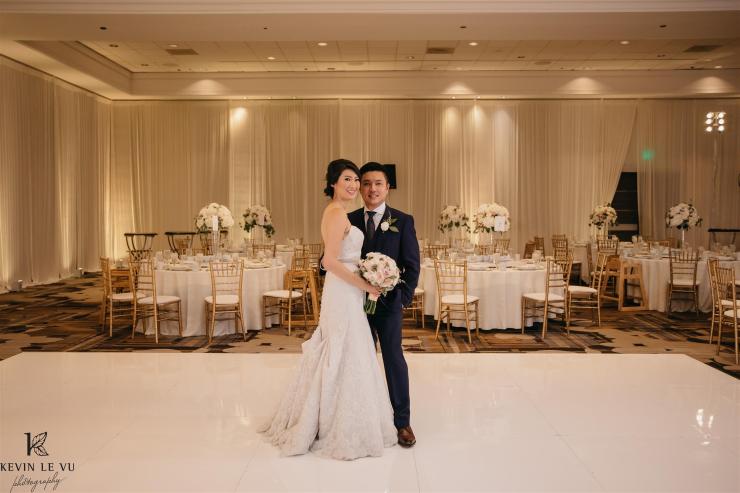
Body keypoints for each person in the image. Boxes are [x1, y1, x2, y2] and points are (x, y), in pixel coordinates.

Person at [260, 158, 397, 460]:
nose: (353, 185)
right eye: (347, 179)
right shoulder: (335, 213)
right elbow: (329, 262)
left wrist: (367, 277)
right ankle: (334, 421)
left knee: (351, 348)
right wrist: (366, 285)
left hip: (347, 290)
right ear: (333, 183)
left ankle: (341, 414)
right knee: (344, 347)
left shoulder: (339, 212)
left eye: (356, 180)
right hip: (343, 290)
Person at [348, 162, 420, 447]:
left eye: (378, 183)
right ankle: (362, 417)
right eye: (366, 183)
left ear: (387, 187)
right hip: (356, 304)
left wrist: (403, 298)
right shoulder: (349, 219)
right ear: (360, 188)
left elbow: (412, 265)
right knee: (358, 360)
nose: (372, 189)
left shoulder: (403, 220)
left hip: (389, 305)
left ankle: (402, 422)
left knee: (393, 359)